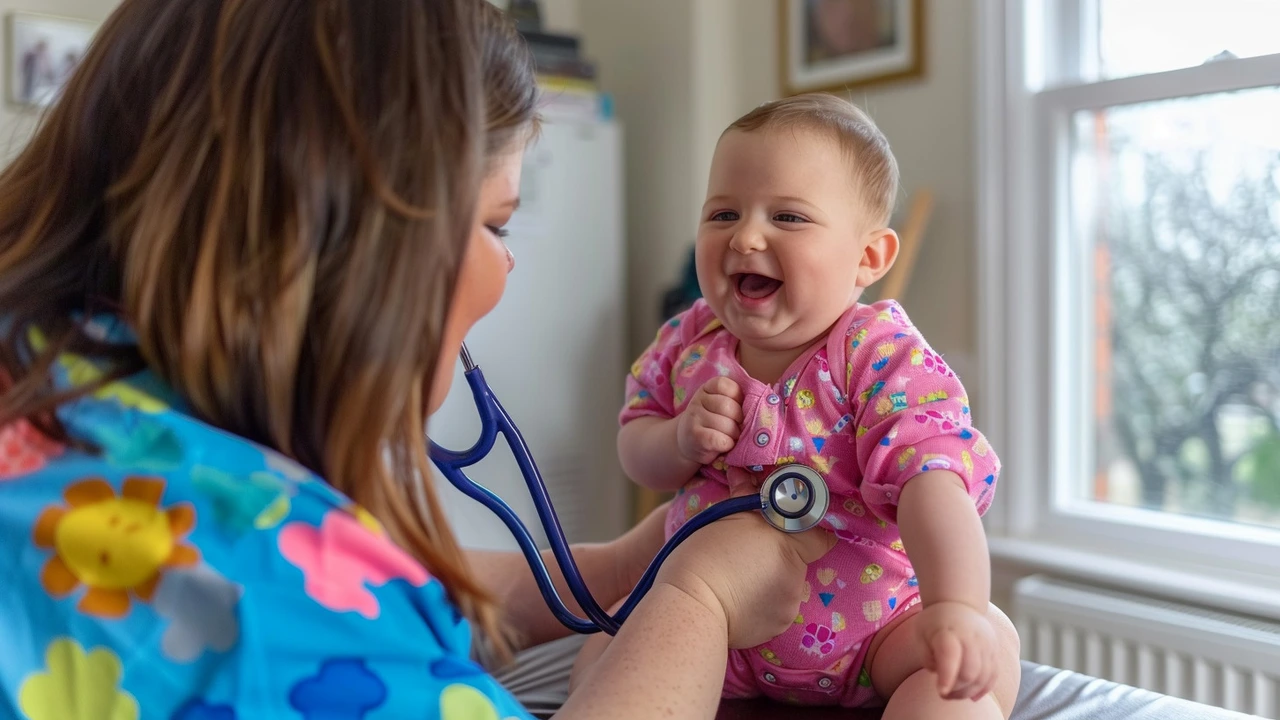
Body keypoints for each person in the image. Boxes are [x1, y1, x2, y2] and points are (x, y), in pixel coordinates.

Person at [0, 1, 834, 718]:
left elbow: (351, 577)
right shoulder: (255, 603)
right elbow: (301, 594)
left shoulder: (60, 385)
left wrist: (620, 567)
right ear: (359, 246)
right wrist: (698, 598)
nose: (506, 267)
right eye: (497, 224)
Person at [585, 94, 1021, 719]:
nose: (746, 235)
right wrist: (678, 439)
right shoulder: (689, 341)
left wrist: (956, 608)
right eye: (723, 213)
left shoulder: (880, 357)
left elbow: (934, 485)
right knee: (604, 657)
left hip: (877, 629)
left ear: (868, 257)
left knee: (974, 669)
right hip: (718, 629)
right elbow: (636, 448)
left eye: (788, 217)